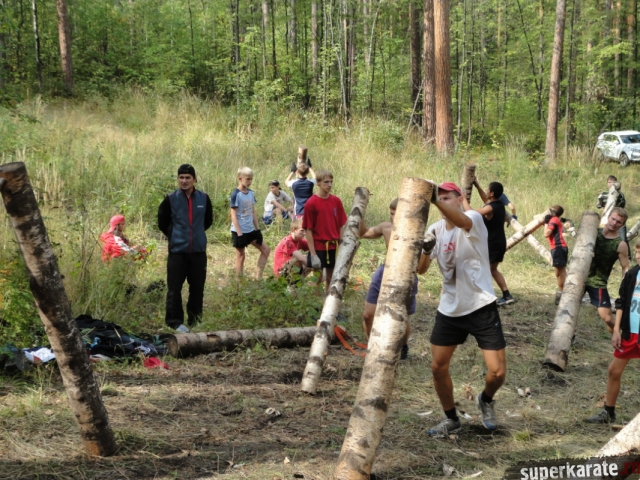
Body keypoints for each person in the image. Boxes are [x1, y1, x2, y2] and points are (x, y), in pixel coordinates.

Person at [419, 182, 507, 436]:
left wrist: (434, 200)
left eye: (447, 197)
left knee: (498, 372)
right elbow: (421, 270)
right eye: (440, 198)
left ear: (460, 199)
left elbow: (461, 221)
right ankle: (451, 419)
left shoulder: (473, 218)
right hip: (449, 308)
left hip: (480, 304)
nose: (442, 201)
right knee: (438, 367)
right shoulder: (435, 229)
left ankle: (486, 400)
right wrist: (426, 250)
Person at [359, 198, 427, 360]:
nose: (393, 217)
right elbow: (363, 233)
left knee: (401, 317)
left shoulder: (415, 232)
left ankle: (403, 347)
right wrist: (360, 214)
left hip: (406, 274)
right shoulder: (385, 227)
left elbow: (420, 267)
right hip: (385, 271)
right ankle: (372, 346)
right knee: (368, 315)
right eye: (391, 213)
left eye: (397, 213)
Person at [586, 239, 640, 424]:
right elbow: (621, 303)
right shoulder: (632, 274)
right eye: (637, 252)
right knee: (613, 370)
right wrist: (617, 330)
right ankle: (608, 413)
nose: (638, 256)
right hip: (629, 333)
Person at [158, 164, 213, 333]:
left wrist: (195, 235)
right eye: (181, 177)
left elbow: (208, 221)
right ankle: (174, 321)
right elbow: (162, 222)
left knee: (197, 288)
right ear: (178, 179)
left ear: (194, 179)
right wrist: (176, 236)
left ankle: (195, 320)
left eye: (188, 177)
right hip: (177, 252)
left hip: (198, 251)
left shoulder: (204, 198)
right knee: (174, 288)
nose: (184, 181)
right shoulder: (170, 199)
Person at [586, 207, 630, 333]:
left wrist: (626, 285)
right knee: (567, 308)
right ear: (608, 217)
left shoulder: (620, 244)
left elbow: (625, 266)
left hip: (597, 282)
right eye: (613, 219)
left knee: (608, 318)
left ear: (622, 225)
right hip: (580, 276)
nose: (614, 223)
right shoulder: (594, 233)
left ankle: (621, 338)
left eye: (618, 222)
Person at [302, 169, 347, 293]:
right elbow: (308, 229)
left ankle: (329, 302)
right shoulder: (311, 203)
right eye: (326, 182)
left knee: (331, 278)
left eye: (331, 182)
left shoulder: (336, 201)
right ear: (318, 183)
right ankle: (314, 303)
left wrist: (341, 245)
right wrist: (313, 254)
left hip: (334, 245)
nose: (329, 185)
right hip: (319, 246)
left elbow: (341, 225)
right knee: (317, 278)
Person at [472, 179, 514, 306]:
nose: (486, 191)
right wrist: (477, 186)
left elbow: (473, 213)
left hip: (494, 244)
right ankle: (506, 295)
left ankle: (488, 296)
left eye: (487, 189)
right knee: (492, 269)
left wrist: (463, 202)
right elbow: (486, 200)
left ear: (492, 193)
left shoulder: (491, 208)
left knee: (488, 270)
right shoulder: (499, 204)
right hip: (499, 242)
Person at [231, 167, 271, 279]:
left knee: (266, 250)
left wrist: (258, 230)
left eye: (251, 179)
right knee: (241, 256)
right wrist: (240, 235)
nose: (250, 181)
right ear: (240, 178)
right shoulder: (236, 194)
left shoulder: (251, 193)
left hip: (250, 229)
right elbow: (233, 216)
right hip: (239, 230)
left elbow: (253, 211)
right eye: (247, 179)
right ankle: (239, 283)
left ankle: (258, 279)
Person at [544, 205, 569, 305]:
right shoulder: (554, 219)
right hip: (557, 248)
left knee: (561, 273)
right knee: (558, 273)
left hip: (558, 248)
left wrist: (546, 222)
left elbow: (546, 234)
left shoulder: (553, 220)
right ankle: (563, 293)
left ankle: (564, 294)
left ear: (553, 212)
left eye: (549, 210)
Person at [596, 175, 629, 252]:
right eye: (609, 182)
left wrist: (617, 197)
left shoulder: (620, 194)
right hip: (606, 218)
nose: (611, 184)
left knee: (622, 238)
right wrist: (600, 201)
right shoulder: (603, 194)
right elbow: (598, 206)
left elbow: (622, 205)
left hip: (618, 217)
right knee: (603, 236)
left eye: (613, 182)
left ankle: (627, 255)